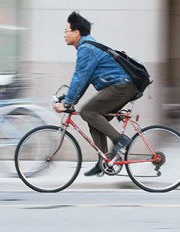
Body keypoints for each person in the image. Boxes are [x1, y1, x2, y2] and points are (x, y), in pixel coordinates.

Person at [53, 11, 138, 176]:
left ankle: (120, 140)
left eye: (66, 31)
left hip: (123, 86)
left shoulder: (87, 49)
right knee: (94, 118)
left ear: (76, 33)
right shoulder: (88, 46)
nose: (64, 35)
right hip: (123, 86)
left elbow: (79, 78)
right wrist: (70, 101)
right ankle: (105, 161)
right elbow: (83, 80)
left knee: (88, 112)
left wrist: (66, 104)